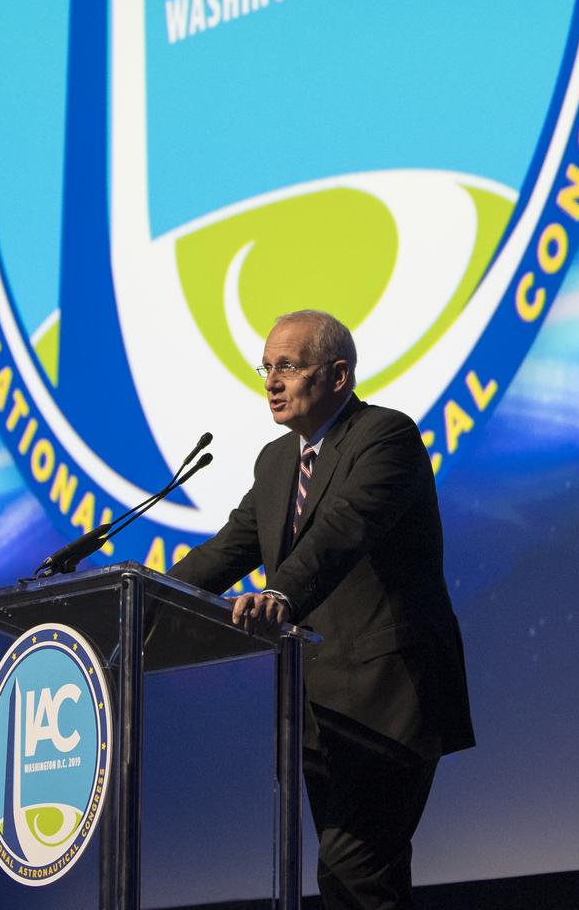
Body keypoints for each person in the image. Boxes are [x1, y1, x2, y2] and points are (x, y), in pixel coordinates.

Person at [170, 309, 474, 909]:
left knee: (351, 873)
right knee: (357, 882)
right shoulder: (277, 461)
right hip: (321, 710)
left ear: (337, 375)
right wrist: (141, 599)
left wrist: (280, 595)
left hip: (391, 696)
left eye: (287, 366)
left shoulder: (386, 436)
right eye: (266, 367)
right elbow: (229, 548)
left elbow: (342, 531)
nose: (271, 381)